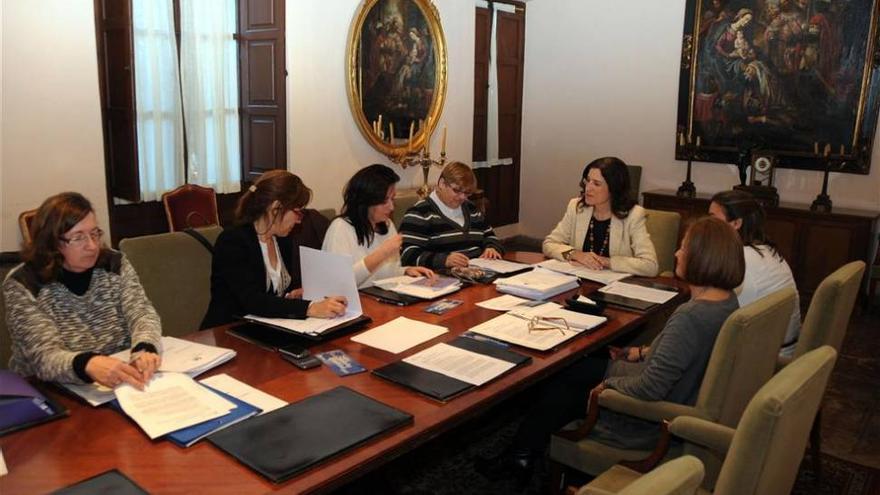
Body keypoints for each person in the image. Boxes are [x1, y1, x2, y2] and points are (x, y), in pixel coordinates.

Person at [479, 216, 744, 483]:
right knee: (580, 363)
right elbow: (681, 353)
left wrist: (606, 386)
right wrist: (641, 352)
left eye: (684, 248)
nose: (676, 253)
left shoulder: (690, 316)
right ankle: (525, 450)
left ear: (702, 258)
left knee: (564, 374)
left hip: (646, 417)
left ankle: (521, 455)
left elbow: (651, 388)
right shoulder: (726, 302)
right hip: (673, 388)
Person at [3, 192, 162, 390]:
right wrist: (87, 364)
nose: (92, 245)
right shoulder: (23, 283)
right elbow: (44, 357)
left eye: (95, 234)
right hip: (50, 389)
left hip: (119, 380)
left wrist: (144, 347)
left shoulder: (114, 263)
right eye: (78, 238)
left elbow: (142, 313)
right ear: (52, 243)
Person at [201, 170, 347, 329]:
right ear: (276, 207)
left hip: (264, 328)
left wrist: (291, 295)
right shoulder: (233, 241)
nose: (299, 221)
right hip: (227, 331)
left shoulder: (282, 239)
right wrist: (310, 308)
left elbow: (272, 294)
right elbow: (252, 301)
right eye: (297, 212)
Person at [709, 190, 801, 356]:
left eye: (713, 219)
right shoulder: (766, 250)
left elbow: (716, 319)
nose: (707, 225)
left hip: (764, 360)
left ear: (736, 223)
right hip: (782, 348)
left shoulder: (740, 260)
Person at [322, 164, 434, 288]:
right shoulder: (340, 228)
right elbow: (339, 283)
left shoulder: (387, 224)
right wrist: (382, 253)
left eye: (393, 199)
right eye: (384, 201)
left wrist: (404, 271)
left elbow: (387, 273)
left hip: (382, 300)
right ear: (366, 201)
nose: (391, 207)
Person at [543, 157, 658, 276]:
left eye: (597, 184)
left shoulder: (633, 215)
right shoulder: (577, 207)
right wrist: (575, 254)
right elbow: (549, 244)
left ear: (614, 189)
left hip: (614, 287)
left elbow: (650, 265)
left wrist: (607, 262)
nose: (588, 188)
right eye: (587, 181)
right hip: (579, 280)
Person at [399, 161, 504, 269]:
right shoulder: (419, 213)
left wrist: (491, 248)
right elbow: (407, 254)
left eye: (467, 193)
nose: (463, 197)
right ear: (442, 183)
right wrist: (443, 260)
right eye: (457, 191)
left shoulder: (471, 209)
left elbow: (490, 236)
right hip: (442, 279)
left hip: (480, 272)